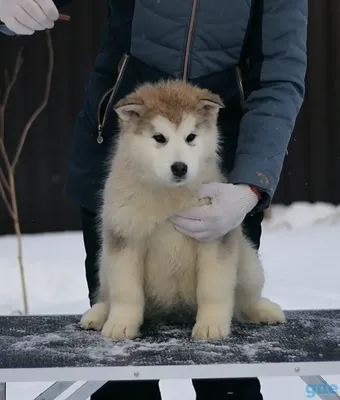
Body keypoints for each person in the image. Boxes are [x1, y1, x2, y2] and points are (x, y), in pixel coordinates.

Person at [0, 0, 308, 398]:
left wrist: (251, 184)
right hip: (126, 149)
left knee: (227, 372)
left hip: (219, 169)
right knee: (123, 370)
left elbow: (281, 76)